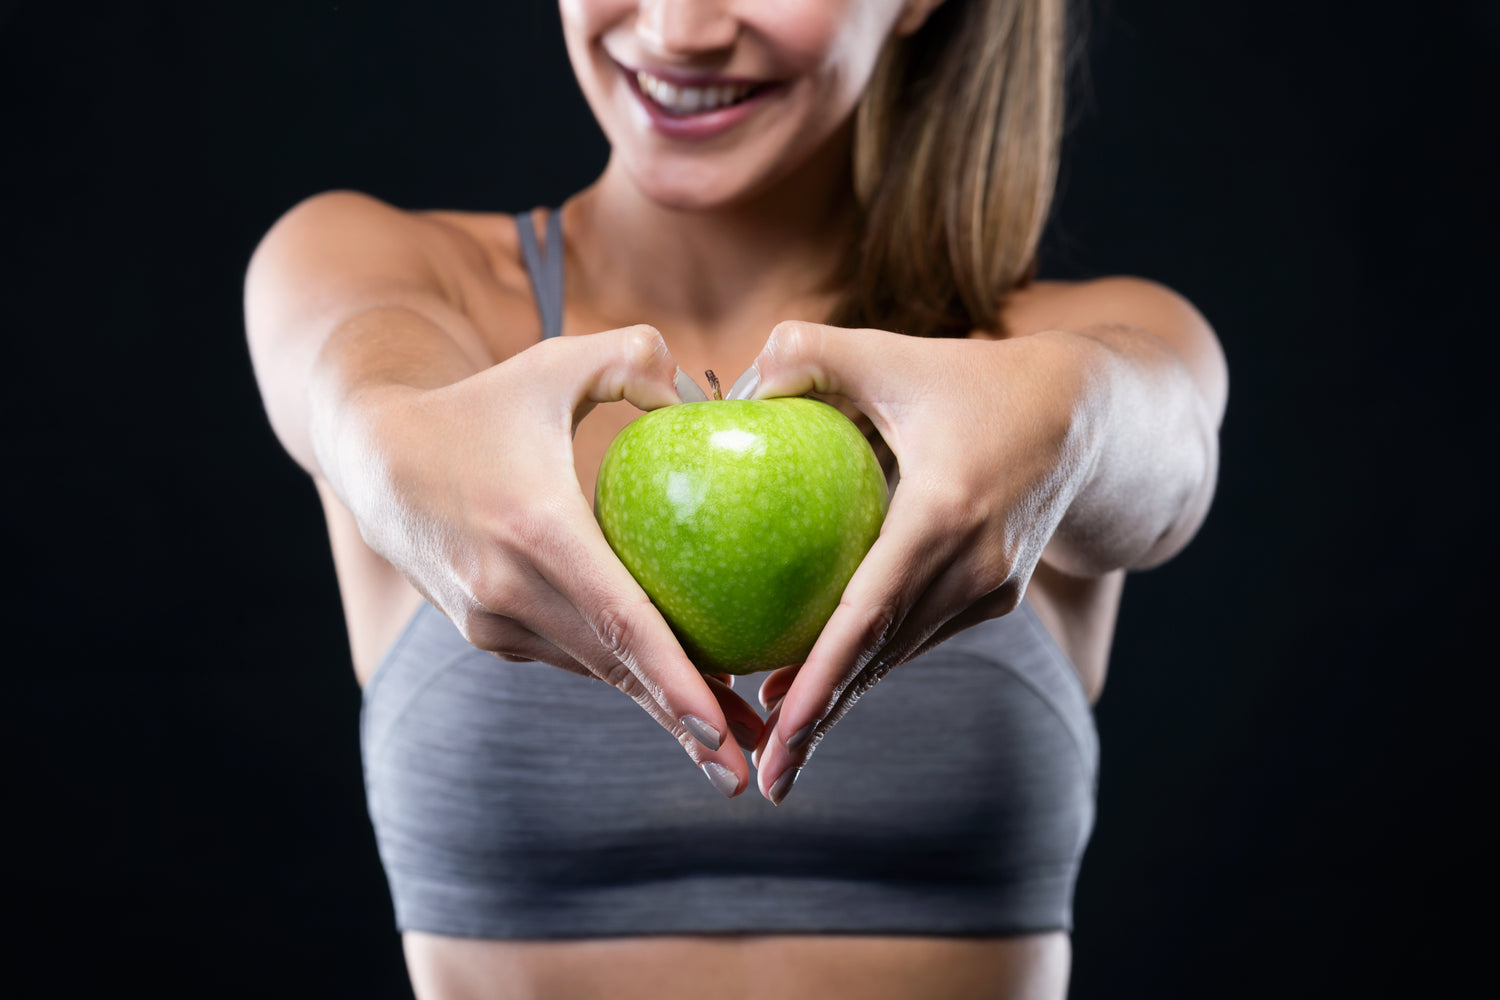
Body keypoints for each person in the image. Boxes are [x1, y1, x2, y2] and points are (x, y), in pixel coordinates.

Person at [245, 0, 1227, 996]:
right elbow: (353, 386)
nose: (677, 30)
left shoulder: (1046, 365)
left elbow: (1170, 450)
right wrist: (384, 436)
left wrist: (1077, 421)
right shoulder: (382, 277)